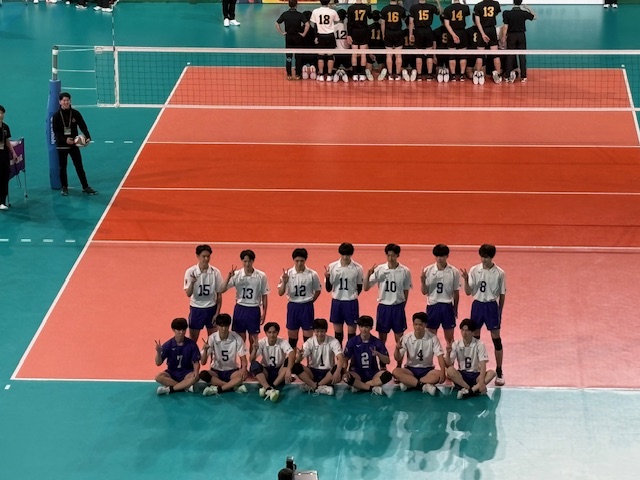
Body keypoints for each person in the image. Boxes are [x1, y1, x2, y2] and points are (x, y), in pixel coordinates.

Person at [461, 244, 506, 386]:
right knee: (474, 338)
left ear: (491, 257)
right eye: (482, 257)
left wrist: (500, 311)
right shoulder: (474, 270)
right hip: (477, 306)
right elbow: (468, 292)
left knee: (496, 339)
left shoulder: (500, 273)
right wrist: (466, 279)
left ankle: (499, 370)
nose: (483, 260)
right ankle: (475, 367)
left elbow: (502, 294)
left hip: (491, 306)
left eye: (486, 257)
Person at [363, 243, 412, 352]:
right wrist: (368, 274)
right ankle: (382, 361)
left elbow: (406, 291)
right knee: (382, 339)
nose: (390, 258)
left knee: (399, 339)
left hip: (397, 307)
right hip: (384, 307)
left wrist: (402, 307)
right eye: (388, 255)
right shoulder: (379, 269)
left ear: (398, 255)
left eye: (393, 255)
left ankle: (399, 361)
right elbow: (366, 288)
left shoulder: (405, 271)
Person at [220, 249, 269, 351]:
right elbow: (222, 290)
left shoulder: (261, 276)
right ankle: (243, 360)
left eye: (249, 261)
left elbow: (264, 295)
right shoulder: (236, 275)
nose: (247, 264)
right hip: (240, 308)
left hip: (254, 309)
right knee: (240, 340)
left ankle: (252, 360)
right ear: (242, 261)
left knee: (253, 340)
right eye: (245, 261)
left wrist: (264, 313)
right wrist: (228, 277)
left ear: (253, 261)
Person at [51, 92, 97, 196]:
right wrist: (65, 140)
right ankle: (64, 187)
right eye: (64, 100)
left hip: (74, 144)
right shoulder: (56, 116)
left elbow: (83, 125)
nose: (66, 102)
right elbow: (56, 131)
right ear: (60, 102)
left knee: (79, 166)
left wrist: (88, 136)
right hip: (62, 145)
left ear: (70, 101)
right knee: (62, 167)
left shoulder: (75, 113)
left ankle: (85, 186)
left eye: (67, 100)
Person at [392, 312, 446, 396]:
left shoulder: (433, 338)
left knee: (439, 374)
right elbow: (397, 358)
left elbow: (440, 356)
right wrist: (397, 349)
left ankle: (409, 383)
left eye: (420, 325)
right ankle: (423, 386)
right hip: (410, 370)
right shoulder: (406, 338)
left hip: (427, 370)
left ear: (425, 325)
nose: (417, 327)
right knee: (396, 372)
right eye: (415, 324)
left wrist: (443, 371)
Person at [278, 248, 322, 350]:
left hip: (307, 307)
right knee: (292, 338)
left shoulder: (312, 274)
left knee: (308, 338)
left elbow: (318, 290)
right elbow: (280, 293)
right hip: (293, 306)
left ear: (305, 260)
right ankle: (293, 359)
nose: (299, 263)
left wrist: (310, 301)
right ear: (293, 260)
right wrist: (284, 282)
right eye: (297, 261)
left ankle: (309, 359)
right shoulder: (287, 274)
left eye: (302, 261)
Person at [324, 242, 364, 346]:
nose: (345, 257)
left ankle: (351, 354)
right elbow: (328, 289)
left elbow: (359, 287)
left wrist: (350, 295)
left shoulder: (358, 268)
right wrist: (327, 278)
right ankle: (339, 354)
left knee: (352, 334)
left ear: (351, 254)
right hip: (337, 302)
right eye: (343, 255)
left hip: (351, 303)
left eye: (348, 255)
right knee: (338, 334)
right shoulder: (332, 266)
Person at [445, 318, 496, 399]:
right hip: (462, 376)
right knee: (449, 370)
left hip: (476, 375)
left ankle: (470, 390)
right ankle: (471, 389)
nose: (464, 333)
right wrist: (448, 353)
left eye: (467, 331)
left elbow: (483, 365)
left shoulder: (480, 344)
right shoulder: (456, 344)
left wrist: (481, 382)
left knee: (492, 373)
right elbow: (449, 364)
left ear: (472, 332)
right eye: (462, 330)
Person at [291, 318, 344, 395]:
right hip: (312, 372)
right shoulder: (309, 342)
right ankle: (318, 387)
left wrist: (338, 371)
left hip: (328, 372)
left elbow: (340, 358)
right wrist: (298, 357)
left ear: (326, 331)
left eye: (322, 331)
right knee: (295, 366)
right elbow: (300, 358)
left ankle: (314, 386)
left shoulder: (333, 341)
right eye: (317, 331)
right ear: (313, 331)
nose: (319, 334)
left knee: (340, 368)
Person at [421, 244, 460, 347]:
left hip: (447, 306)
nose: (439, 258)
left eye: (442, 256)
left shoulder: (454, 272)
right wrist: (422, 281)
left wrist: (455, 308)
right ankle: (430, 357)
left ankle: (450, 357)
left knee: (450, 338)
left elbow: (456, 292)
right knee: (430, 338)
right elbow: (424, 292)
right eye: (437, 256)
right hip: (433, 306)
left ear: (447, 256)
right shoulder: (428, 270)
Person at [200, 313, 249, 395]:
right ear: (217, 326)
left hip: (232, 371)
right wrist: (205, 350)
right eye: (221, 326)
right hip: (216, 371)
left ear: (229, 326)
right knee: (203, 374)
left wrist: (244, 369)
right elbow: (203, 362)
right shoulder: (212, 338)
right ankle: (231, 386)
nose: (224, 329)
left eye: (226, 326)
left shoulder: (236, 338)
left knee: (243, 375)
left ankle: (219, 389)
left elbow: (243, 359)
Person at [343, 315, 393, 396]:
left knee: (388, 375)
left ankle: (360, 386)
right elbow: (345, 359)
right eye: (361, 326)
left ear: (371, 328)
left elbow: (387, 361)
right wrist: (345, 371)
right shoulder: (352, 341)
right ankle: (371, 387)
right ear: (359, 327)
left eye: (366, 327)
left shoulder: (376, 342)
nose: (364, 329)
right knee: (345, 377)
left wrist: (378, 354)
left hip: (373, 373)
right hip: (357, 372)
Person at [184, 244, 224, 342]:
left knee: (213, 340)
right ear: (197, 256)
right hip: (196, 309)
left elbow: (219, 294)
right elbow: (188, 294)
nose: (206, 259)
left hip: (211, 308)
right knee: (193, 340)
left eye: (208, 256)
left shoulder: (216, 272)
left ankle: (211, 353)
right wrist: (192, 283)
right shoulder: (190, 272)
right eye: (204, 256)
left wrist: (217, 313)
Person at [249, 322, 295, 402]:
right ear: (266, 333)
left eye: (274, 332)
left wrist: (289, 370)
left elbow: (291, 353)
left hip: (279, 372)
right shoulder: (261, 342)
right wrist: (254, 350)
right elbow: (251, 360)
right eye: (269, 332)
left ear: (277, 332)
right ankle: (268, 389)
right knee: (254, 365)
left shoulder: (282, 342)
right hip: (266, 371)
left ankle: (272, 387)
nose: (272, 335)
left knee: (289, 361)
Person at [154, 317, 201, 395]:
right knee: (158, 377)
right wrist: (158, 353)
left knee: (195, 377)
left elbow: (195, 362)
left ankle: (170, 389)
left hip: (186, 373)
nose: (181, 332)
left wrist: (196, 372)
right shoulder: (168, 345)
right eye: (179, 330)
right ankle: (185, 386)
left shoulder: (191, 344)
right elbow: (158, 363)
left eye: (183, 330)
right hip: (172, 372)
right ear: (173, 330)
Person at [503, 0, 537, 83]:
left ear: (513, 2)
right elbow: (535, 17)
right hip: (521, 36)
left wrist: (503, 37)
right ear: (521, 3)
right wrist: (528, 7)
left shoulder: (507, 13)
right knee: (522, 56)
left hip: (511, 36)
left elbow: (505, 27)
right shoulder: (523, 13)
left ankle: (507, 76)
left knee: (510, 56)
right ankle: (523, 77)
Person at [276, 0, 310, 80]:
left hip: (289, 38)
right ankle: (298, 75)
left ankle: (289, 75)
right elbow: (307, 24)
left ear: (289, 5)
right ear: (296, 5)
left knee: (289, 57)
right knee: (298, 57)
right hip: (298, 38)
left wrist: (282, 32)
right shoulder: (300, 15)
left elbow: (277, 23)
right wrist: (304, 34)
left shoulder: (285, 14)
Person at [408, 0, 441, 81]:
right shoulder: (431, 7)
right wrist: (438, 2)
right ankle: (429, 75)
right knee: (429, 54)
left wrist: (411, 34)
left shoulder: (413, 7)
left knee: (418, 54)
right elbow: (440, 12)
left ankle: (419, 75)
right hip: (428, 30)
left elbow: (411, 22)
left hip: (418, 31)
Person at [310, 0, 340, 82]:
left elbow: (315, 25)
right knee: (330, 56)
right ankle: (329, 75)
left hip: (320, 36)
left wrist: (316, 36)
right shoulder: (333, 11)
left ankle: (321, 75)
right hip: (330, 35)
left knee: (320, 56)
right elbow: (337, 21)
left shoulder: (315, 11)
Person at [473, 0, 503, 83]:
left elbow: (477, 22)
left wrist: (482, 34)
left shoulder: (478, 5)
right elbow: (495, 13)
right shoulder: (496, 4)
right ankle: (498, 74)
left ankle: (478, 75)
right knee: (495, 54)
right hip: (492, 29)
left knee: (480, 54)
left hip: (482, 30)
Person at [442, 0, 470, 82]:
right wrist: (464, 2)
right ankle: (462, 75)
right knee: (463, 55)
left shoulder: (447, 9)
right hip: (462, 32)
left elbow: (447, 24)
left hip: (451, 33)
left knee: (452, 55)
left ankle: (453, 75)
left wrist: (453, 35)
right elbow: (467, 12)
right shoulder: (465, 7)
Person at [379, 0, 406, 81]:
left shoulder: (384, 9)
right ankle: (398, 75)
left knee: (389, 55)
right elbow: (405, 19)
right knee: (398, 55)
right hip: (398, 32)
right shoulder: (401, 9)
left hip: (388, 32)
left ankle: (390, 74)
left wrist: (383, 34)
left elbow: (383, 23)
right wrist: (401, 6)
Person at [346, 0, 371, 82]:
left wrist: (349, 34)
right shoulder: (366, 7)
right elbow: (370, 16)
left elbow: (349, 22)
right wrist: (369, 4)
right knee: (363, 54)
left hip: (354, 31)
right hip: (364, 31)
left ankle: (354, 74)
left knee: (354, 53)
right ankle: (362, 74)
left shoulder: (351, 8)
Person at [0, 105, 18, 211]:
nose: (0, 115)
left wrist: (13, 153)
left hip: (4, 156)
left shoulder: (5, 127)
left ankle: (2, 201)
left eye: (2, 113)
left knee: (5, 177)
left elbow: (7, 141)